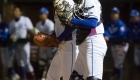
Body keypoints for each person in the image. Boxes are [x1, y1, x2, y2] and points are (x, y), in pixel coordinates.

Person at [66, 0, 107, 80]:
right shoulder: (80, 3)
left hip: (93, 43)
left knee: (93, 78)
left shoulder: (90, 1)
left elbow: (92, 23)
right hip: (84, 44)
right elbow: (76, 25)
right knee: (75, 78)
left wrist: (71, 20)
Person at [46, 0, 78, 80]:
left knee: (68, 77)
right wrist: (54, 34)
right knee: (51, 77)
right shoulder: (59, 2)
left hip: (70, 45)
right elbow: (62, 26)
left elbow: (73, 25)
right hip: (62, 45)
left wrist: (59, 38)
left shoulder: (68, 2)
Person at [9, 6, 35, 80]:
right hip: (17, 44)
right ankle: (23, 77)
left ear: (20, 12)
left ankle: (32, 77)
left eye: (16, 11)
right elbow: (10, 33)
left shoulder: (25, 20)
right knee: (20, 62)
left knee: (26, 61)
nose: (15, 12)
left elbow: (31, 30)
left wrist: (33, 35)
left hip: (25, 43)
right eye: (14, 11)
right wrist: (11, 36)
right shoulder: (11, 23)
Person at [104, 7, 128, 80]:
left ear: (118, 15)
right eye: (112, 13)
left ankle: (115, 75)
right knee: (117, 63)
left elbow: (121, 35)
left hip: (122, 45)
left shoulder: (121, 24)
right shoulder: (108, 23)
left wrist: (110, 37)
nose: (113, 15)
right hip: (114, 45)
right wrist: (106, 35)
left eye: (115, 13)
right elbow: (105, 31)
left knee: (118, 64)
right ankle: (115, 75)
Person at [35, 7, 56, 79]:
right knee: (41, 62)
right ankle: (43, 77)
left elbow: (51, 35)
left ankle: (50, 77)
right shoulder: (38, 24)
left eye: (42, 13)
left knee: (50, 62)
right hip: (41, 45)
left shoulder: (50, 23)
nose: (40, 15)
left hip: (49, 45)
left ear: (46, 14)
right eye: (40, 13)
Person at [0, 14, 10, 80]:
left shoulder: (4, 25)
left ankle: (5, 76)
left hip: (5, 46)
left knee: (5, 63)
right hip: (1, 46)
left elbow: (5, 36)